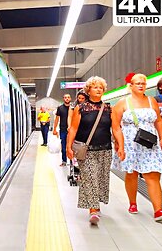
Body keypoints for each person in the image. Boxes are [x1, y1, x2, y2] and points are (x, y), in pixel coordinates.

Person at [112, 73, 162, 222]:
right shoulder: (122, 103)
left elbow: (158, 120)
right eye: (137, 83)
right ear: (131, 86)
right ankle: (132, 203)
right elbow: (116, 126)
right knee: (132, 173)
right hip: (131, 143)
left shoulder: (151, 101)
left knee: (153, 174)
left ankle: (158, 210)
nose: (141, 85)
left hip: (150, 142)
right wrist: (120, 145)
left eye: (143, 83)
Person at [66, 76, 123, 225]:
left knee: (101, 179)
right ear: (88, 90)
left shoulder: (109, 108)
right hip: (87, 150)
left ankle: (95, 204)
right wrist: (68, 146)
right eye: (95, 87)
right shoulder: (81, 108)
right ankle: (93, 209)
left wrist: (120, 145)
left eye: (101, 87)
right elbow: (73, 129)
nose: (98, 89)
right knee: (91, 177)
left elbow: (116, 129)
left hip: (105, 149)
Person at [53, 94, 72, 166]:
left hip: (71, 130)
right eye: (65, 97)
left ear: (70, 98)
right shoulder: (60, 108)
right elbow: (57, 119)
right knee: (63, 146)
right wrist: (54, 129)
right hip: (63, 130)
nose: (67, 99)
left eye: (68, 97)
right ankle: (64, 161)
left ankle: (72, 162)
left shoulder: (73, 108)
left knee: (71, 147)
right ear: (63, 99)